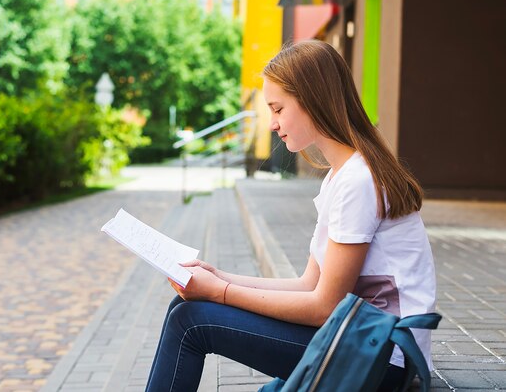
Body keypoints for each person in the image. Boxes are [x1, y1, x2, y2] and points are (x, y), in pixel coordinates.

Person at [145, 40, 436, 392]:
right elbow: (307, 285)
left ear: (313, 100)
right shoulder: (340, 176)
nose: (272, 124)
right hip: (358, 340)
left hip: (382, 358)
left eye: (278, 109)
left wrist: (220, 291)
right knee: (185, 308)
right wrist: (218, 276)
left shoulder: (358, 181)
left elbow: (323, 306)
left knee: (191, 321)